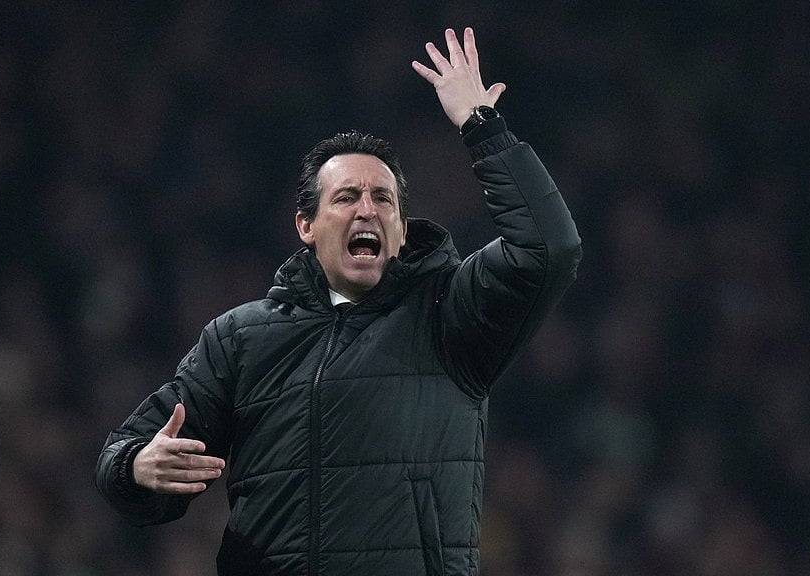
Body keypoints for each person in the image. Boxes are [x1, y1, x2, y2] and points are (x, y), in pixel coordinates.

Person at [96, 27, 582, 576]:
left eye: (383, 199)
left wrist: (481, 124)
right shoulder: (240, 339)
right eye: (346, 197)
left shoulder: (449, 313)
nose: (366, 209)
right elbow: (129, 451)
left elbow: (550, 247)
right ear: (306, 225)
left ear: (401, 231)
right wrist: (136, 467)